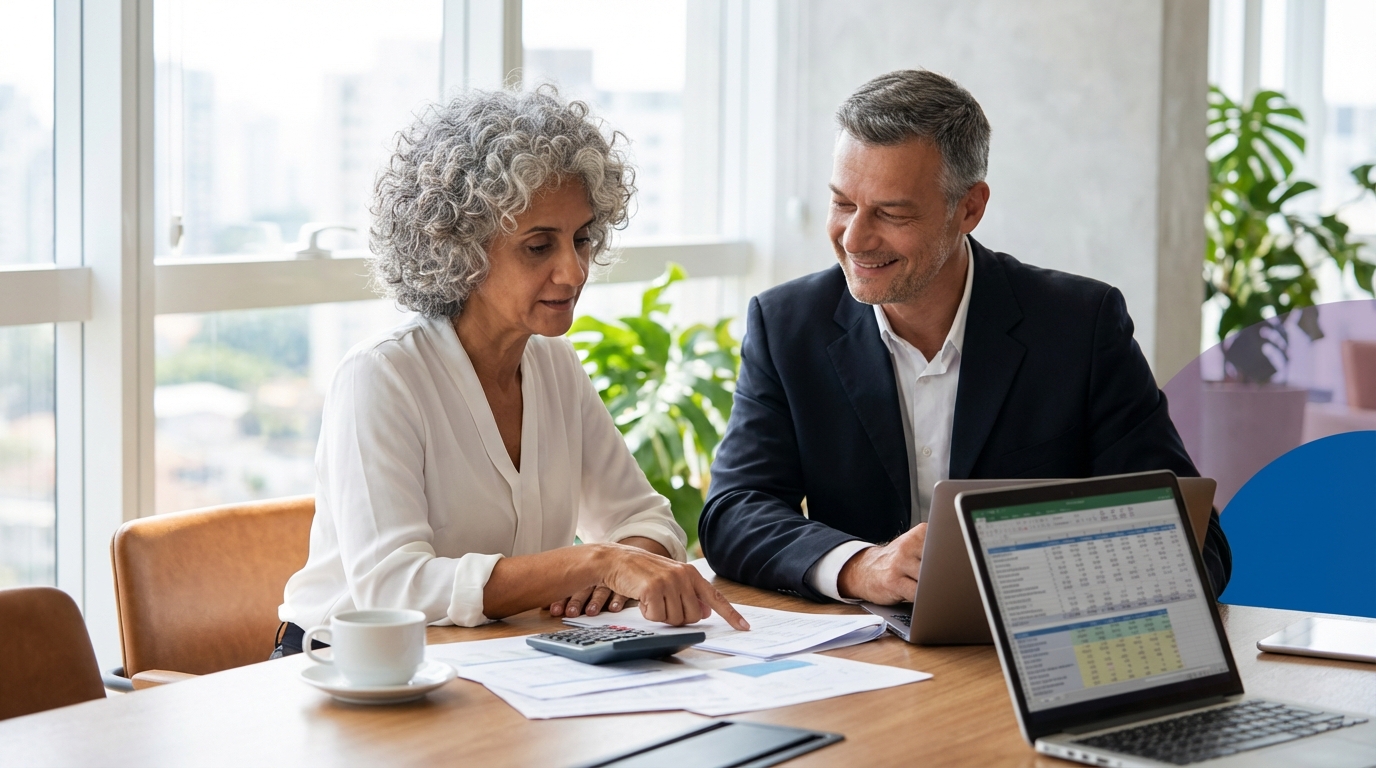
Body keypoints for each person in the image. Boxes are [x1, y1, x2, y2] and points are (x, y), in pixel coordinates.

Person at [698, 69, 1231, 606]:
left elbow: (1196, 544)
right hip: (865, 659)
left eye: (891, 212)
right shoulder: (788, 324)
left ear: (970, 208)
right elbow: (736, 510)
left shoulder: (1080, 326)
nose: (855, 238)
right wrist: (861, 566)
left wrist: (1030, 581)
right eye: (843, 204)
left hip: (1030, 654)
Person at [274, 88, 747, 657]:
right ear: (459, 250)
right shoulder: (382, 376)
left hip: (499, 662)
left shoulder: (553, 364)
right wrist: (596, 561)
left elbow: (643, 516)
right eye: (538, 246)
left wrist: (613, 569)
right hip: (352, 675)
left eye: (582, 239)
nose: (573, 271)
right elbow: (393, 586)